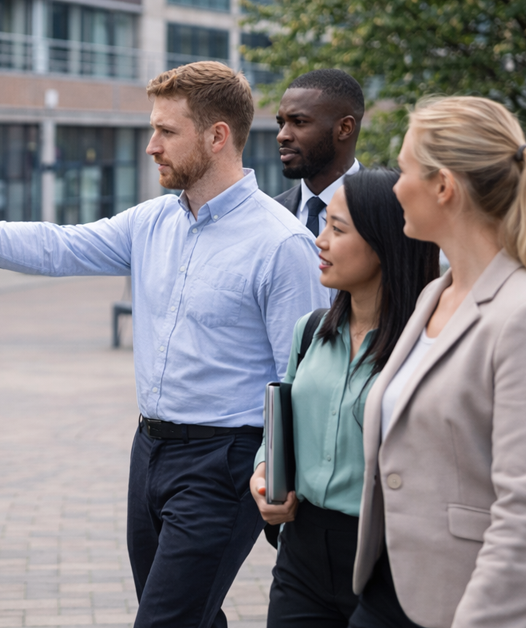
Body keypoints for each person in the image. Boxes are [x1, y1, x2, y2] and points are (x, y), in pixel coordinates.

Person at [0, 61, 331, 628]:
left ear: (217, 136)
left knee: (163, 621)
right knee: (191, 618)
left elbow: (302, 377)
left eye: (166, 132)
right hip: (149, 451)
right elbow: (58, 246)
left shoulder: (282, 245)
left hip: (225, 463)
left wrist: (274, 473)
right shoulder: (153, 221)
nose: (152, 146)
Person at [350, 96, 526, 628]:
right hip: (386, 589)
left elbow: (520, 509)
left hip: (461, 603)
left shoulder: (516, 314)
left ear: (444, 187)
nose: (395, 184)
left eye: (403, 169)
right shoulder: (434, 294)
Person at [248, 170, 439, 627]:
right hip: (302, 553)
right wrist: (263, 473)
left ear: (384, 241)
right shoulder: (311, 331)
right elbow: (281, 426)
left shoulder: (428, 344)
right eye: (324, 225)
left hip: (389, 554)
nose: (319, 241)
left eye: (338, 228)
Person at [273, 69, 366, 236]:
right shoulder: (271, 215)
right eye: (281, 124)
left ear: (345, 128)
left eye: (299, 122)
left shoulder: (393, 208)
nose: (282, 135)